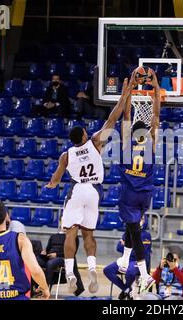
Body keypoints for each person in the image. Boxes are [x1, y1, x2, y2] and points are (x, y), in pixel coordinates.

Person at [45, 73, 136, 294]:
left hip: (77, 190)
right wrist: (124, 95)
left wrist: (52, 183)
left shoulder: (66, 155)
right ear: (84, 135)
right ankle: (93, 268)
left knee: (70, 233)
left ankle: (69, 274)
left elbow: (56, 180)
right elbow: (112, 119)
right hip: (95, 191)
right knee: (88, 235)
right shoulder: (95, 142)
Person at [117, 68, 161, 293]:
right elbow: (155, 116)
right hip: (146, 193)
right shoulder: (152, 142)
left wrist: (130, 89)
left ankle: (143, 274)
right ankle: (125, 260)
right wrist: (155, 87)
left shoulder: (126, 142)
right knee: (134, 225)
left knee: (133, 229)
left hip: (129, 192)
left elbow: (125, 115)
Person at [103, 215, 152, 300]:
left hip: (137, 262)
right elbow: (118, 247)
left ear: (144, 221)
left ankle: (125, 291)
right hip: (124, 260)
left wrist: (127, 245)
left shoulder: (146, 235)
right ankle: (126, 289)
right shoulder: (127, 232)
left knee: (130, 272)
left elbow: (141, 253)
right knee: (107, 270)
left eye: (142, 219)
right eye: (138, 218)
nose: (140, 220)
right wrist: (133, 247)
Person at [37, 232, 84, 296]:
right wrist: (45, 252)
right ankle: (35, 288)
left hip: (63, 258)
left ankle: (46, 289)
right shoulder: (53, 236)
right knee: (37, 261)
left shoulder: (73, 237)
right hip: (50, 257)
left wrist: (57, 254)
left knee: (50, 263)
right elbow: (48, 248)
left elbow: (73, 253)